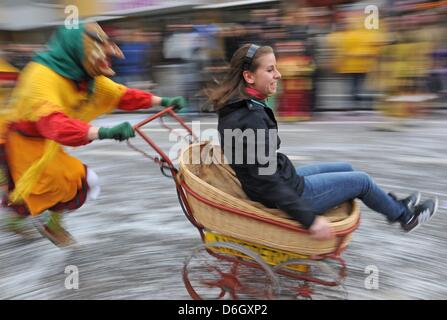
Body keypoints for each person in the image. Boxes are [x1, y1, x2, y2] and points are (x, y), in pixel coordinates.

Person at [208, 43, 438, 241]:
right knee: (362, 181)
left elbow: (262, 169)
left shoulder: (238, 107)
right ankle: (406, 217)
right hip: (285, 193)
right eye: (270, 70)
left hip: (280, 180)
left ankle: (396, 205)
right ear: (249, 77)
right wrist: (309, 220)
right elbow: (268, 181)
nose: (278, 74)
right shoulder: (251, 117)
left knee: (345, 167)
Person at [0, 22, 187, 247]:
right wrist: (104, 132)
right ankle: (48, 224)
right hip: (20, 141)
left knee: (50, 185)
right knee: (70, 180)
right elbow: (54, 123)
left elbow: (120, 94)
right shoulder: (41, 77)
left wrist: (162, 101)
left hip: (43, 141)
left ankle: (28, 222)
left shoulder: (83, 76)